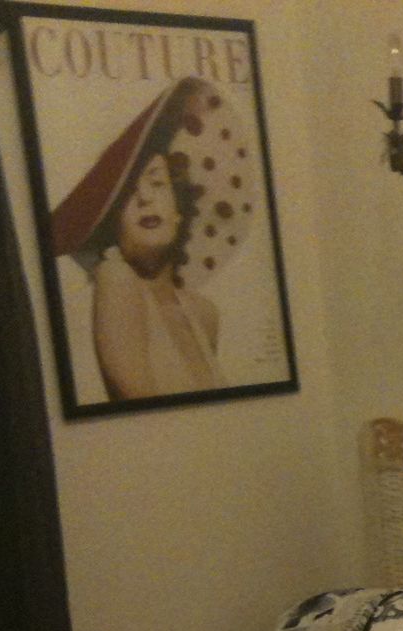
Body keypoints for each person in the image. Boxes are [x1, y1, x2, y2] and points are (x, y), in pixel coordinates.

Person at [50, 77, 255, 401]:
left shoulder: (204, 314)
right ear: (114, 224)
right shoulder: (116, 278)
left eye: (157, 183)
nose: (145, 198)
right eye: (127, 194)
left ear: (179, 209)